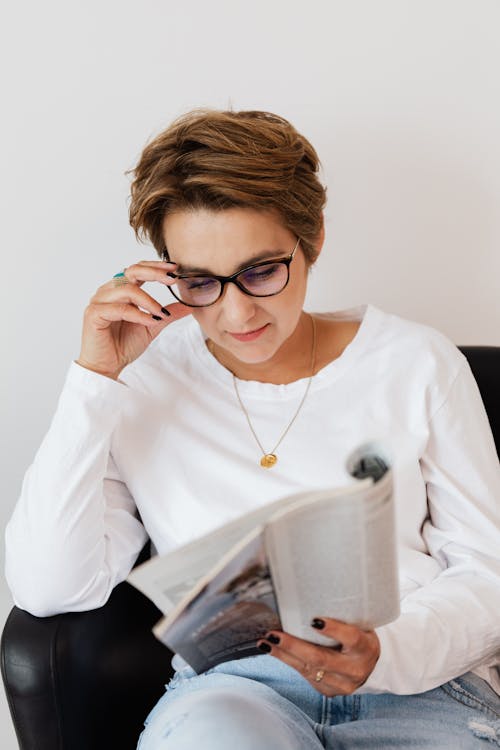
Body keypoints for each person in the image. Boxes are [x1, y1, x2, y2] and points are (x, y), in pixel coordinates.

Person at [5, 109, 500, 749]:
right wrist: (94, 378)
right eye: (200, 281)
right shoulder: (142, 383)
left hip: (419, 691)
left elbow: (489, 571)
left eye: (262, 270)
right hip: (233, 694)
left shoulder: (416, 363)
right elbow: (50, 588)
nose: (237, 313)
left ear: (312, 239)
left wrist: (387, 652)